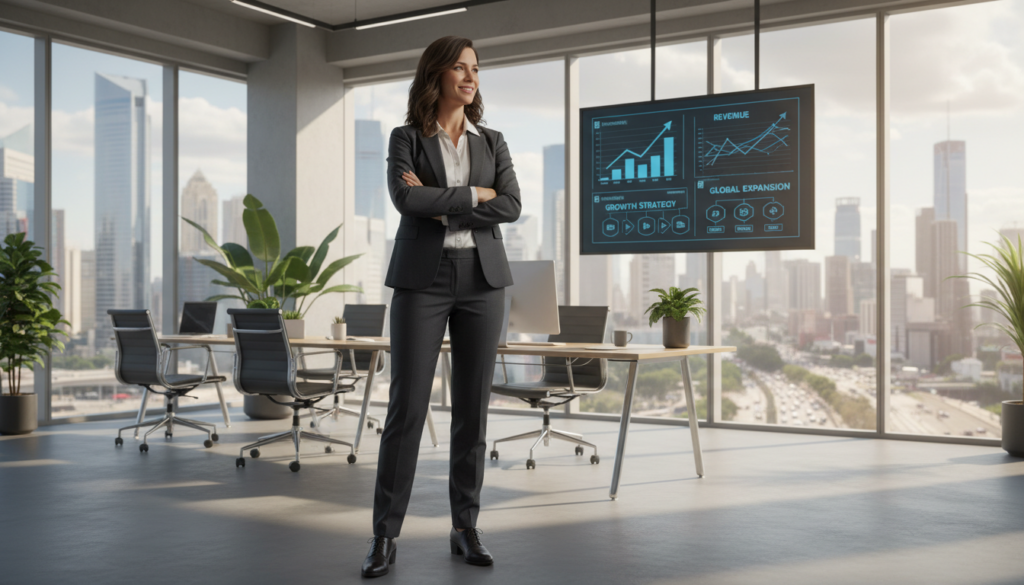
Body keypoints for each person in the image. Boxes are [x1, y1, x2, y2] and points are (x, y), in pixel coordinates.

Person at [361, 36, 521, 578]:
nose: (471, 76)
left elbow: (513, 205)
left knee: (472, 410)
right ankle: (384, 536)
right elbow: (406, 200)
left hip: (483, 280)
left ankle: (465, 526)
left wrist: (445, 203)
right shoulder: (405, 137)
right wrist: (475, 196)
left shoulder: (493, 140)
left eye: (475, 68)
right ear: (437, 73)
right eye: (460, 67)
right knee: (406, 410)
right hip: (420, 283)